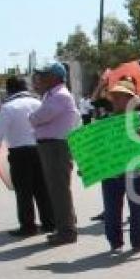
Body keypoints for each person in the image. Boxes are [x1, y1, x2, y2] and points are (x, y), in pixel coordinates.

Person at [0, 77, 55, 237]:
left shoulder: (8, 107)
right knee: (42, 188)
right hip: (41, 149)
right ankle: (49, 222)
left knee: (23, 191)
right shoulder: (39, 103)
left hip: (19, 154)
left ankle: (28, 226)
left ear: (10, 90)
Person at [101, 81, 140, 255]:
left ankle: (138, 242)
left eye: (121, 97)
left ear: (131, 99)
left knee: (138, 209)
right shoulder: (105, 121)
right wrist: (88, 166)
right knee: (111, 210)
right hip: (111, 173)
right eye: (115, 97)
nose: (117, 100)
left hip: (136, 172)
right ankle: (115, 243)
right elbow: (97, 149)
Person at [29, 62, 80, 245]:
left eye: (44, 75)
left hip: (55, 147)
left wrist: (34, 118)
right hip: (52, 146)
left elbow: (37, 118)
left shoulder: (58, 96)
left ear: (55, 77)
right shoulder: (52, 95)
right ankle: (66, 227)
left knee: (59, 191)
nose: (40, 79)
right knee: (58, 190)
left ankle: (66, 231)